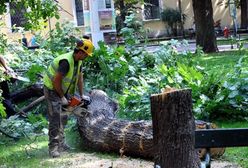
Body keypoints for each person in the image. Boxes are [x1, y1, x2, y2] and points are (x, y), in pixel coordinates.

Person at [43, 38, 94, 158]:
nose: (86, 57)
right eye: (86, 55)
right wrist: (62, 97)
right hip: (52, 90)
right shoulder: (66, 62)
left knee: (64, 116)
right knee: (55, 118)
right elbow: (56, 81)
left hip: (63, 90)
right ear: (81, 52)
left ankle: (61, 143)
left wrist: (81, 95)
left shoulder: (79, 62)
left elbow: (80, 78)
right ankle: (53, 148)